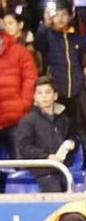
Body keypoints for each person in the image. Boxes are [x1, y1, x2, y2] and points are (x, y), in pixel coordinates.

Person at [14, 76, 77, 192]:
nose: (44, 96)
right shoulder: (28, 121)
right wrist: (46, 157)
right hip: (42, 170)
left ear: (55, 96)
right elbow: (24, 147)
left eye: (48, 92)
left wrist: (72, 142)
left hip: (64, 168)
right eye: (40, 93)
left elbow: (72, 136)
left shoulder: (64, 119)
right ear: (34, 97)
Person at [0, 25, 36, 179]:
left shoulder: (20, 51)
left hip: (16, 119)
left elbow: (31, 79)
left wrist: (23, 104)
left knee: (23, 168)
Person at [34, 2, 85, 108]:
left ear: (70, 16)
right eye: (56, 15)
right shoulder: (47, 36)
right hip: (56, 91)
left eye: (64, 14)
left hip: (77, 92)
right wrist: (45, 25)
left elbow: (82, 62)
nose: (60, 18)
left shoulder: (77, 38)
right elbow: (38, 45)